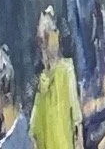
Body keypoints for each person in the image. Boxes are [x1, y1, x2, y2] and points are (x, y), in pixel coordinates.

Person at [30, 9, 82, 149]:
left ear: (57, 35)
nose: (46, 43)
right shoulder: (43, 81)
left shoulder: (67, 70)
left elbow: (76, 119)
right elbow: (34, 130)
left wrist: (79, 145)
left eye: (50, 34)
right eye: (43, 38)